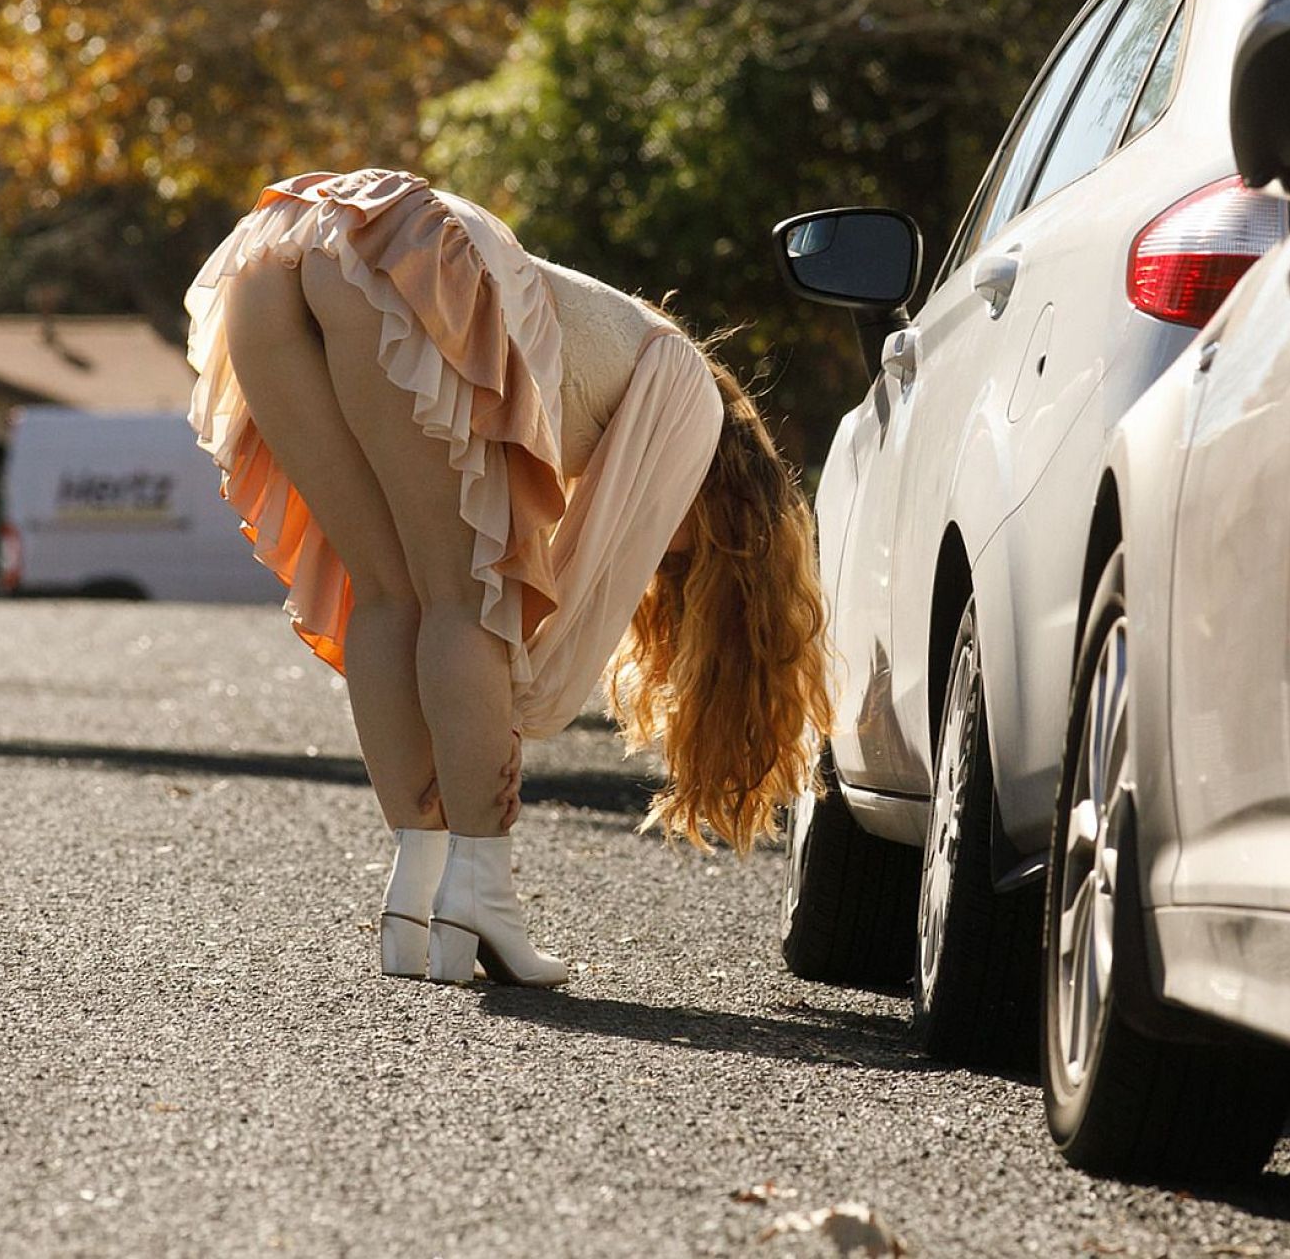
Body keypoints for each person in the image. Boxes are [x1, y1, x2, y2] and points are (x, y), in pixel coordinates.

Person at [183, 168, 832, 988]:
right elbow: (571, 595)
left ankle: (413, 899)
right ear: (738, 519)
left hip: (283, 248)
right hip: (409, 255)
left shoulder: (629, 360)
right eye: (685, 555)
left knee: (389, 596)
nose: (669, 565)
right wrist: (504, 704)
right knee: (468, 601)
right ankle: (482, 896)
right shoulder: (691, 413)